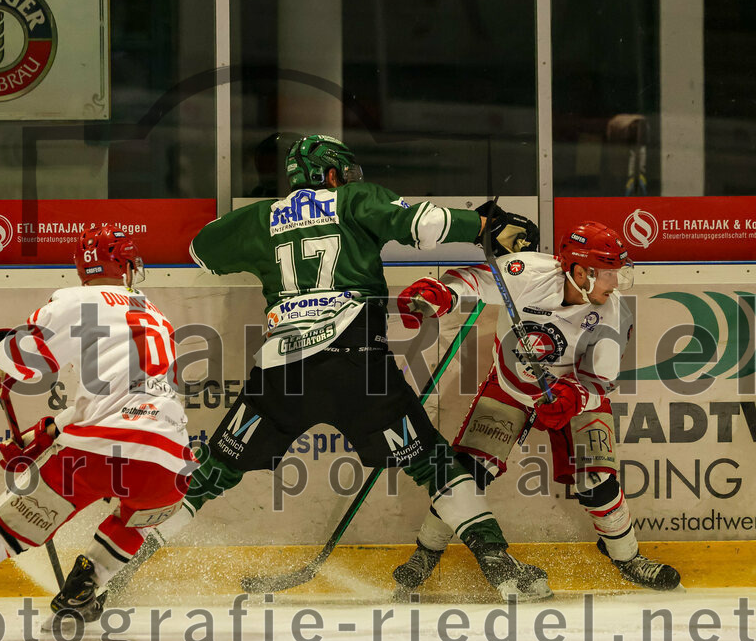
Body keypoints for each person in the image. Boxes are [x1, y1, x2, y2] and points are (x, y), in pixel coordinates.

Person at [107, 133, 553, 602]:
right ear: (334, 174)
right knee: (435, 465)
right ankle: (501, 569)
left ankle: (117, 567)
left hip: (282, 375)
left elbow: (203, 248)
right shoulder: (355, 199)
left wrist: (269, 226)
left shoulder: (262, 218)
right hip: (356, 366)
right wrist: (485, 223)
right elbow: (422, 222)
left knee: (213, 471)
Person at [0, 225, 195, 634]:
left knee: (2, 533)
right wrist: (44, 434)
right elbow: (131, 400)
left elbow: (23, 360)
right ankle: (88, 579)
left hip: (95, 453)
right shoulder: (158, 316)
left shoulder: (77, 300)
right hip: (168, 462)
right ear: (125, 264)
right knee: (139, 517)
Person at [392, 220, 681, 592]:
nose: (616, 284)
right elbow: (471, 281)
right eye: (610, 275)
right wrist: (438, 293)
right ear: (580, 271)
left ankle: (626, 556)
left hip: (573, 393)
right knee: (468, 473)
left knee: (597, 483)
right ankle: (426, 553)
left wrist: (574, 397)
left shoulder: (613, 312)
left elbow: (599, 382)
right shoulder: (526, 272)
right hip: (510, 387)